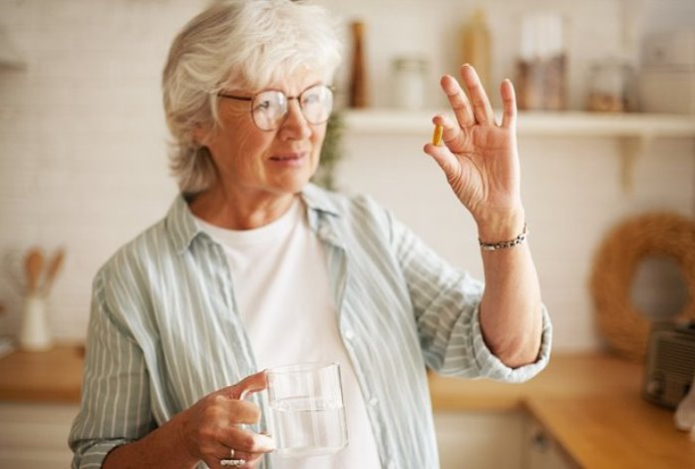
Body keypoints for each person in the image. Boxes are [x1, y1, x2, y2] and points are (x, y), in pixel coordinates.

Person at [68, 1, 552, 468]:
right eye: (268, 104)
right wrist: (184, 438)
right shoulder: (132, 280)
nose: (299, 128)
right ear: (197, 121)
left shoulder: (366, 228)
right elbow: (96, 460)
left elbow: (511, 350)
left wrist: (502, 220)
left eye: (313, 97)